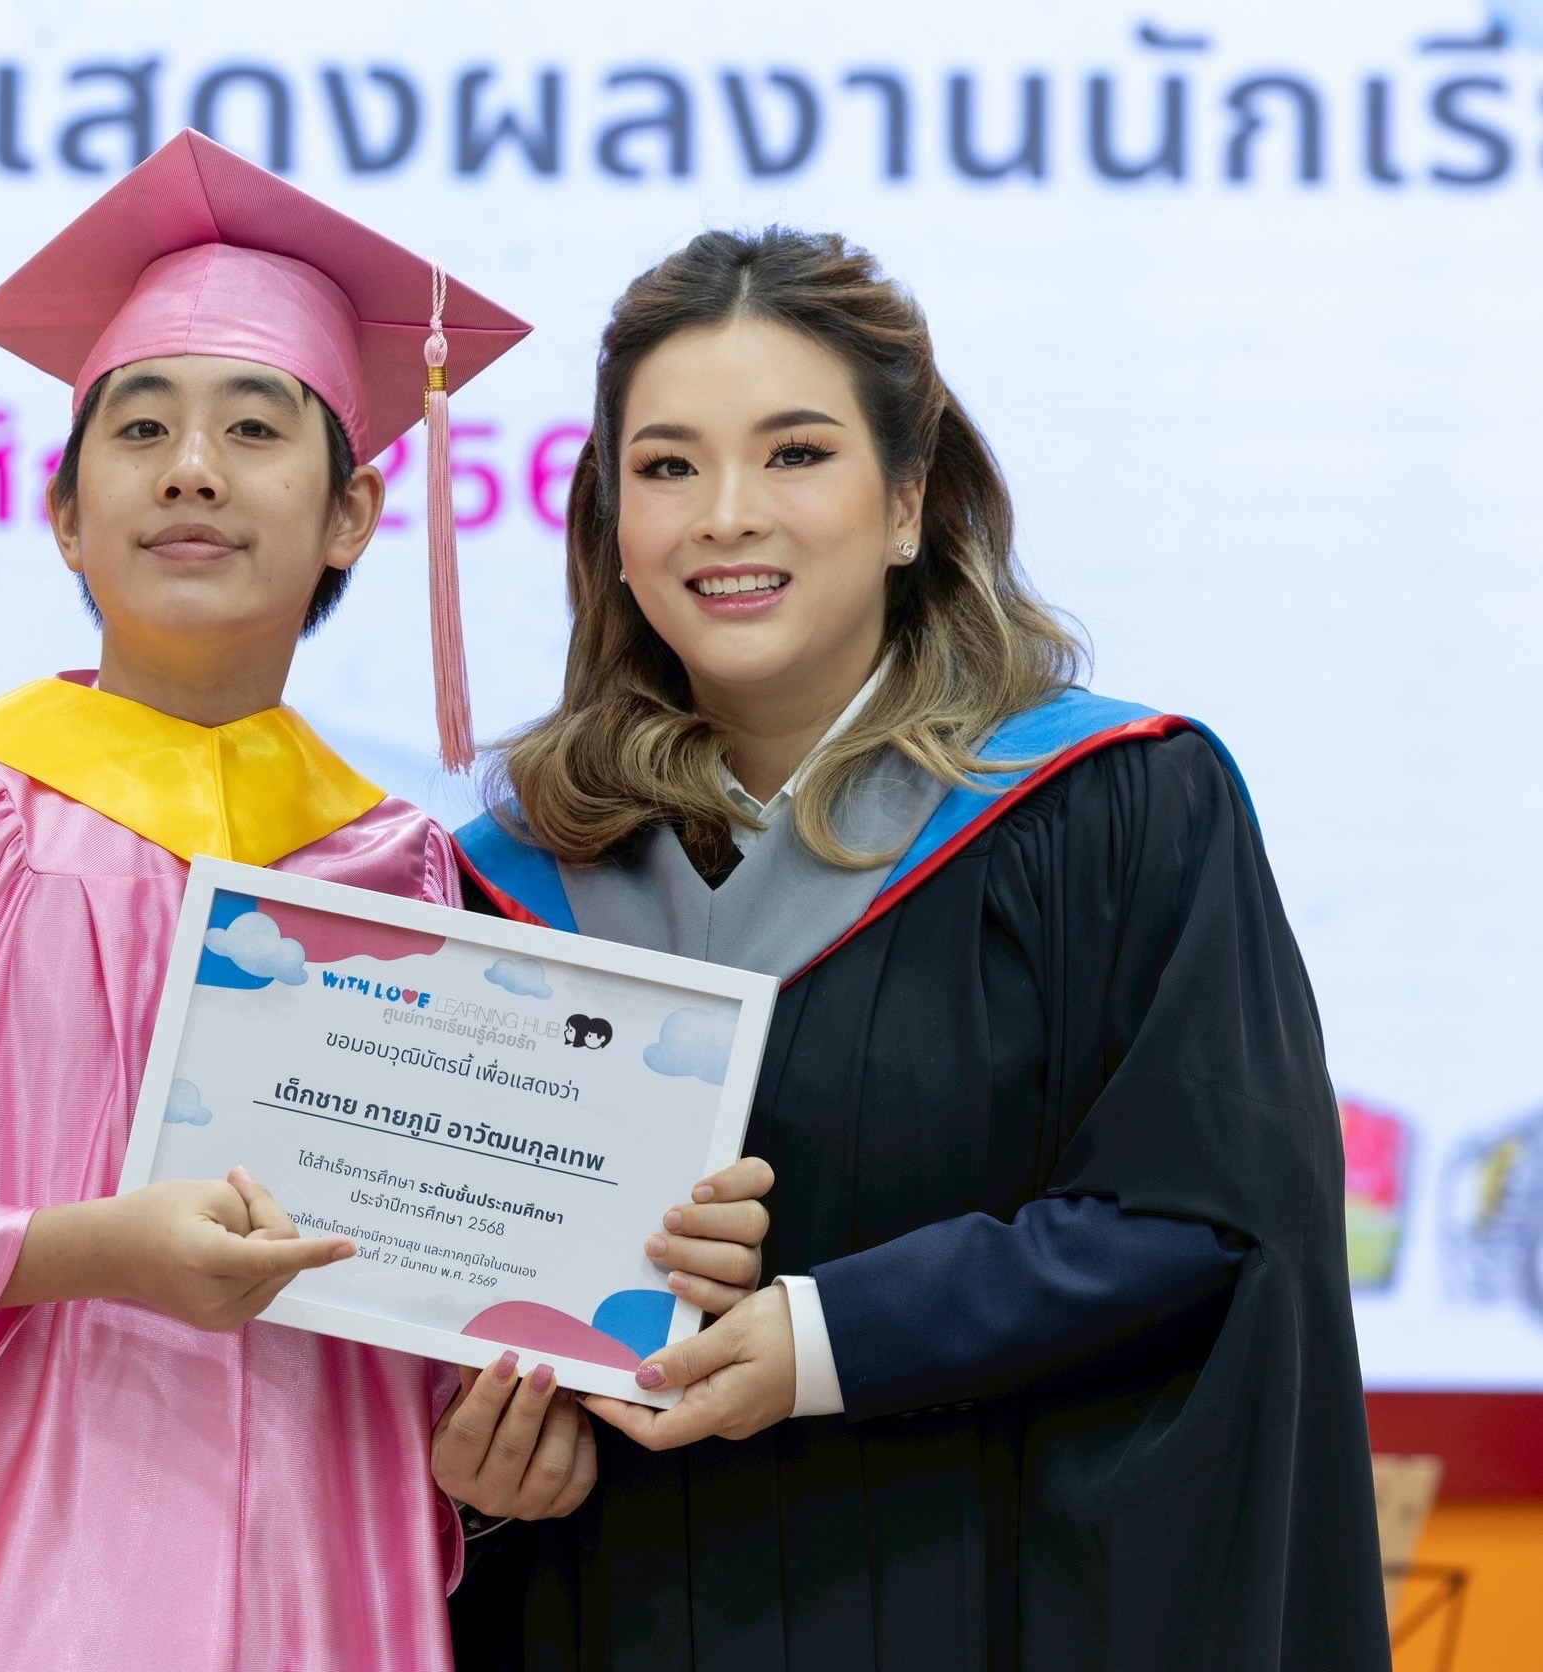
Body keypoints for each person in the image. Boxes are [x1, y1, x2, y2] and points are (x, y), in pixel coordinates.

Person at [0, 131, 598, 1671]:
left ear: (354, 514)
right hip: (7, 1591)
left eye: (255, 427)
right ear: (63, 514)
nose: (192, 468)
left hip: (317, 1587)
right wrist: (84, 1249)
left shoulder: (404, 876)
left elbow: (433, 1289)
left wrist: (497, 1430)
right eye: (142, 425)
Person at [447, 229, 1384, 1670]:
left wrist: (831, 1338)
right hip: (621, 1610)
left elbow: (1213, 1212)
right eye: (669, 466)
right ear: (613, 527)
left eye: (796, 454)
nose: (727, 515)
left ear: (908, 504)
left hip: (989, 1596)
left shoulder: (1113, 810)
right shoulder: (499, 885)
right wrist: (481, 1476)